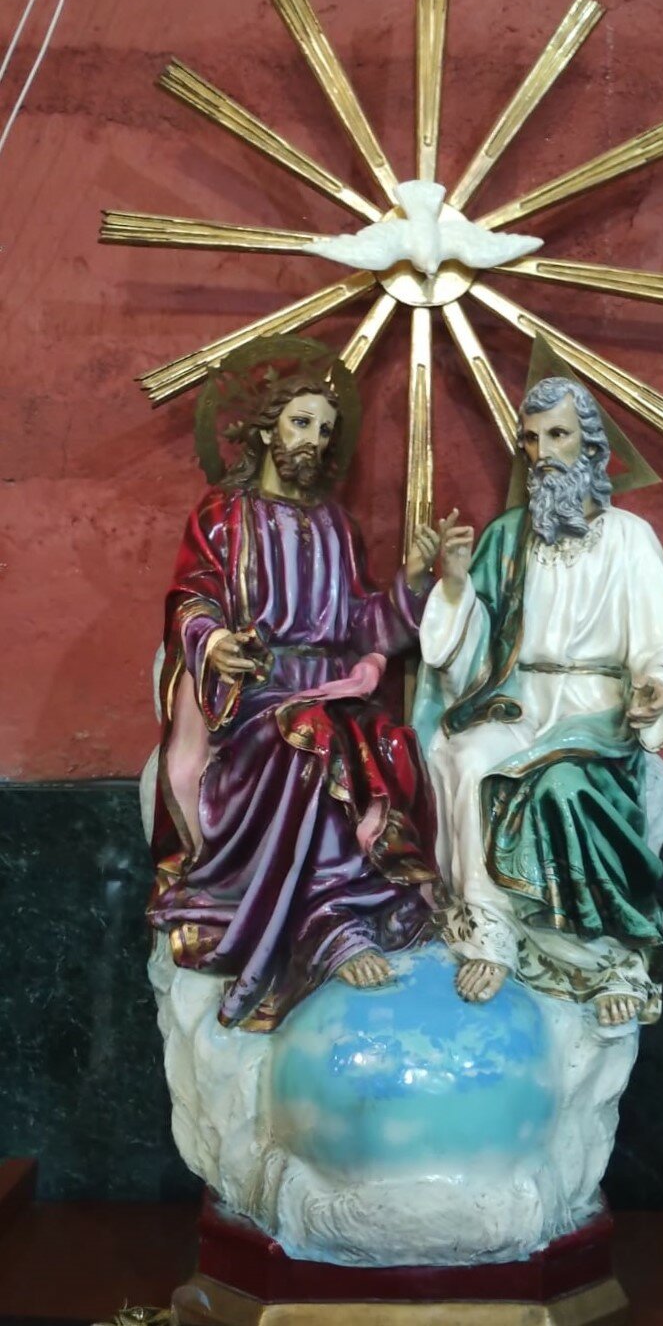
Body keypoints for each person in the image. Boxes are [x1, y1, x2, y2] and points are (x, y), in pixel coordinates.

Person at [148, 357, 443, 1031]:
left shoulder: (337, 525)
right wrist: (215, 642)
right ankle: (324, 921)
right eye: (301, 422)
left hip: (331, 688)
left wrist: (414, 580)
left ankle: (357, 903)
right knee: (310, 737)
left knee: (386, 742)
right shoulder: (223, 515)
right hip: (254, 695)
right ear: (266, 431)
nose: (313, 439)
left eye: (325, 429)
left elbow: (363, 625)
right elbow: (193, 597)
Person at [413, 376, 663, 1025]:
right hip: (517, 700)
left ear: (590, 446)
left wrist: (658, 682)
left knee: (562, 784)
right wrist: (454, 587)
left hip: (596, 709)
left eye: (558, 435)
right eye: (532, 439)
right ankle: (490, 931)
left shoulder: (629, 538)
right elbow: (469, 660)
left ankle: (606, 956)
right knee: (469, 757)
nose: (543, 453)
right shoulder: (508, 537)